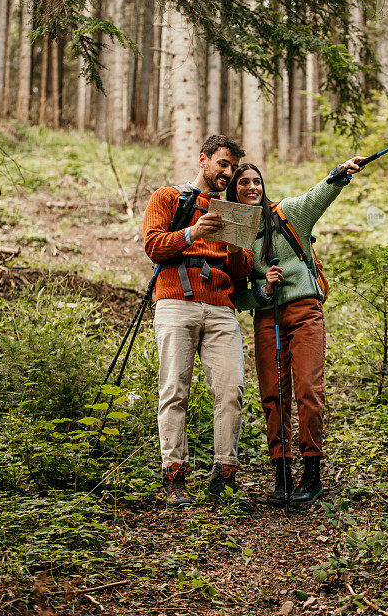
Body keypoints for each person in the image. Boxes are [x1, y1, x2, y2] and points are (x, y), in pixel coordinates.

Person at [226, 157, 364, 506]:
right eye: (243, 183)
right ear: (233, 190)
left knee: (307, 390)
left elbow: (320, 194)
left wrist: (339, 172)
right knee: (273, 394)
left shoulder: (288, 213)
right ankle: (282, 475)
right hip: (266, 317)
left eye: (256, 181)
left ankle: (312, 475)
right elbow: (236, 290)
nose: (252, 188)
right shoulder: (236, 230)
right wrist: (263, 290)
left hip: (304, 312)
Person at [143, 135, 253, 507]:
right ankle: (174, 475)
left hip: (222, 307)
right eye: (223, 164)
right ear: (203, 159)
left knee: (231, 389)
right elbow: (153, 246)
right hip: (175, 300)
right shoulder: (168, 197)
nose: (228, 172)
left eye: (233, 167)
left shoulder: (234, 209)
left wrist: (238, 248)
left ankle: (224, 474)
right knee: (174, 389)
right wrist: (193, 232)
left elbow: (240, 273)